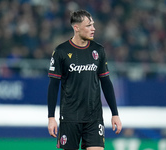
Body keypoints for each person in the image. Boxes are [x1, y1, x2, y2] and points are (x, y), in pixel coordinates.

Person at [47, 9, 122, 150]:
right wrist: (51, 117)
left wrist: (115, 114)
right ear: (76, 28)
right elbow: (53, 86)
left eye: (93, 24)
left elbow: (106, 82)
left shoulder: (98, 50)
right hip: (70, 118)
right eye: (88, 25)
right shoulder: (61, 51)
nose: (93, 28)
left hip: (94, 118)